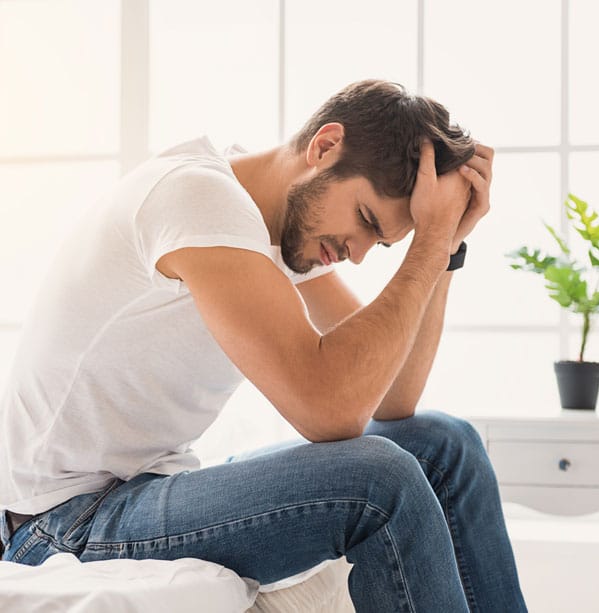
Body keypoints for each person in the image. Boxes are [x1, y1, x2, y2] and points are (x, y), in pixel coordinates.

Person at [0, 80, 527, 611]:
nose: (358, 254)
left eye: (381, 242)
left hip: (144, 489)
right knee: (378, 479)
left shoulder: (281, 229)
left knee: (445, 443)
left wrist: (447, 249)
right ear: (324, 147)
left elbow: (394, 400)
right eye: (366, 220)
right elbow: (330, 412)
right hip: (62, 521)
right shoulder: (198, 199)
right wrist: (428, 245)